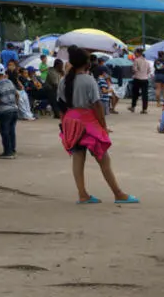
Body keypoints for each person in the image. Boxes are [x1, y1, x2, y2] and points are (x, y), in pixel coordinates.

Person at [57, 48, 137, 205]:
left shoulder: (63, 80)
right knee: (103, 159)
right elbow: (97, 105)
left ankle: (82, 194)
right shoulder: (89, 80)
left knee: (78, 158)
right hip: (87, 122)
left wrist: (64, 124)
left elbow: (60, 105)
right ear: (86, 63)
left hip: (70, 121)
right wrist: (103, 126)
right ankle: (118, 193)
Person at [0, 63, 19, 159]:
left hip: (4, 111)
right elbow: (17, 95)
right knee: (11, 131)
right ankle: (12, 150)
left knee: (4, 131)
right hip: (14, 110)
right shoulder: (9, 82)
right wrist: (15, 105)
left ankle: (8, 152)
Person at [129, 47, 151, 113]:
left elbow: (134, 69)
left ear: (138, 53)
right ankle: (144, 109)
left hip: (137, 79)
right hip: (145, 79)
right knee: (145, 95)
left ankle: (133, 107)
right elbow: (149, 71)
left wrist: (136, 71)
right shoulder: (147, 61)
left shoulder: (136, 60)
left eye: (135, 53)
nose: (134, 54)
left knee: (135, 93)